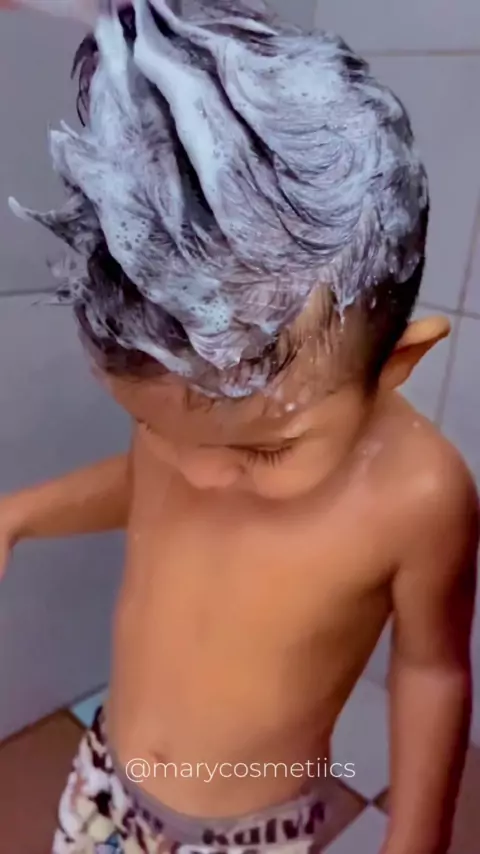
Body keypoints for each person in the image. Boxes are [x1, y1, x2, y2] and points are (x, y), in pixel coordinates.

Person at [1, 1, 478, 853]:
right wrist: (20, 513)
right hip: (105, 780)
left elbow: (430, 668)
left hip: (250, 832)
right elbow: (142, 482)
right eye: (155, 432)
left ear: (396, 363)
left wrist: (420, 834)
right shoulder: (197, 421)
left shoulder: (422, 495)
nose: (199, 475)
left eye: (264, 448)